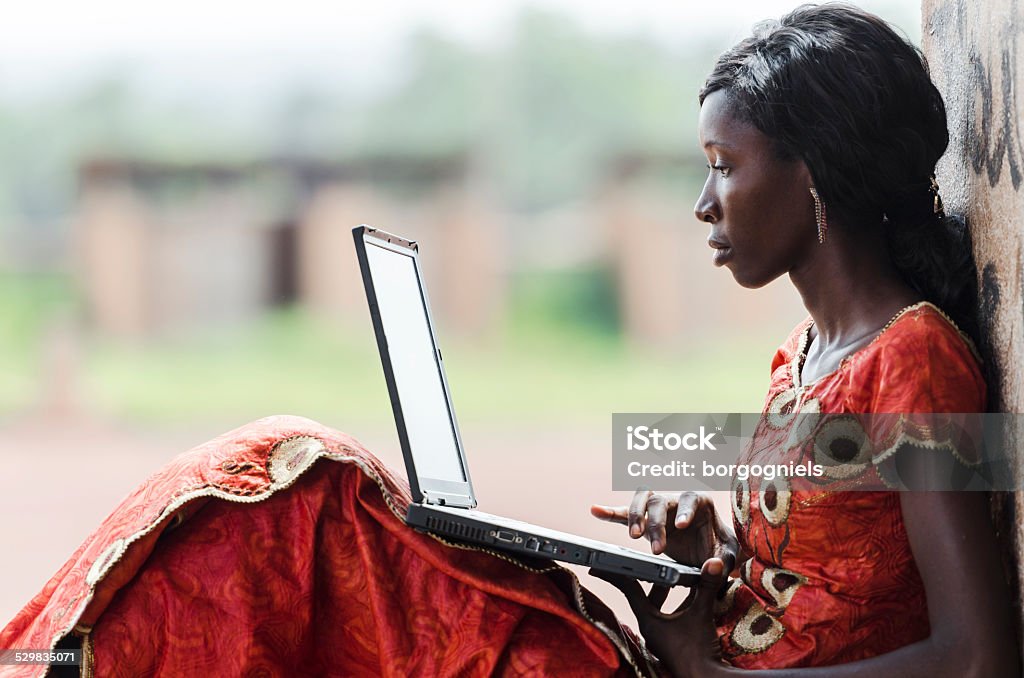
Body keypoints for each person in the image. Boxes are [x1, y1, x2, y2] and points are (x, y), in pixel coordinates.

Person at [590, 3, 1019, 676]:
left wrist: (708, 677)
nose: (704, 202)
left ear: (813, 171)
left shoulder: (914, 360)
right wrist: (717, 546)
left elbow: (978, 658)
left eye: (724, 165)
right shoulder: (800, 355)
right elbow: (822, 588)